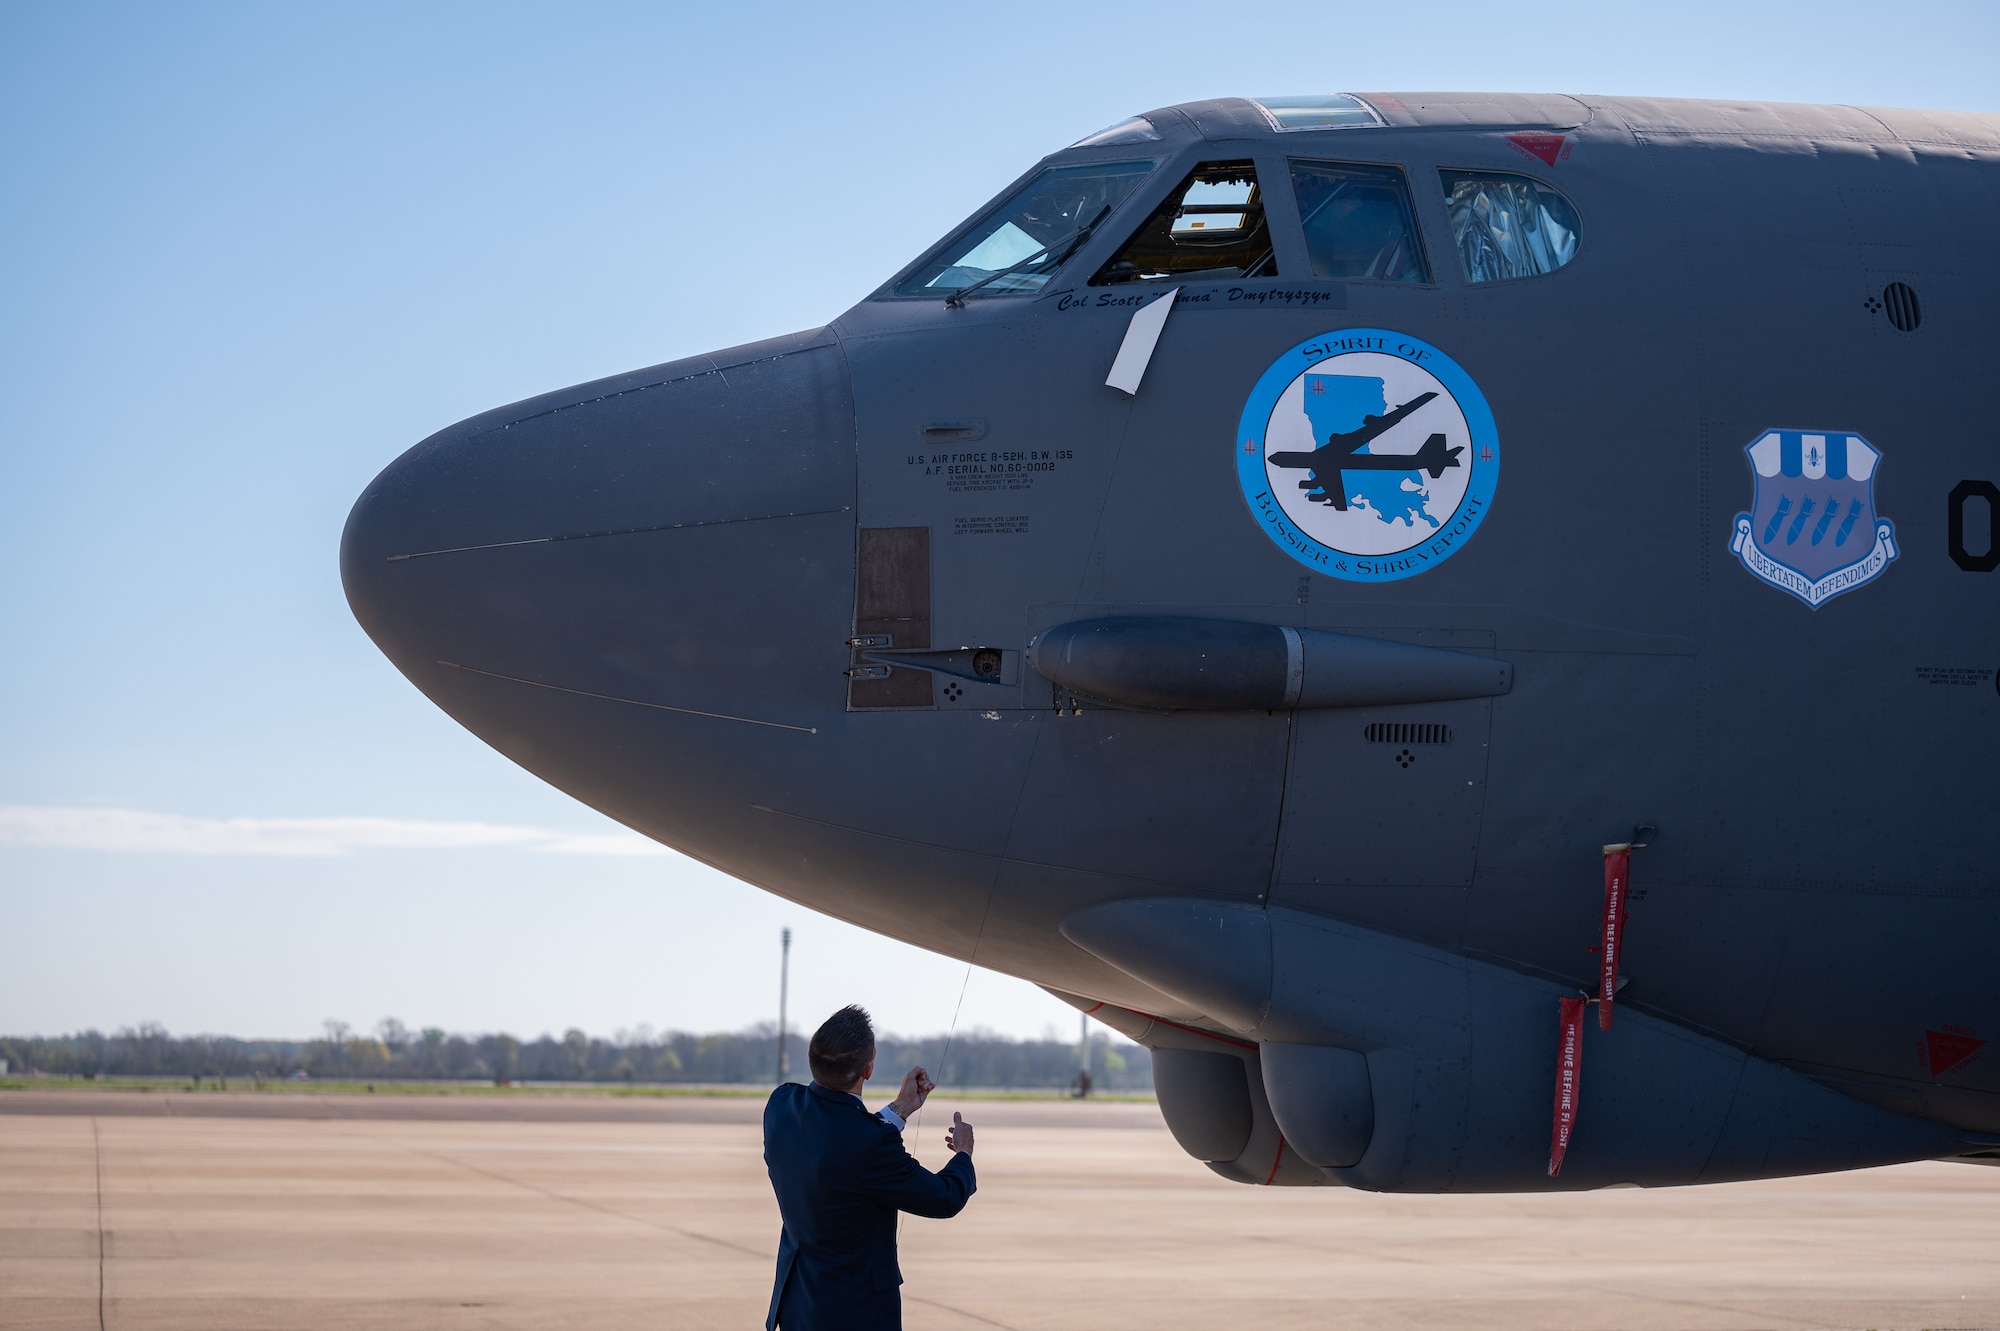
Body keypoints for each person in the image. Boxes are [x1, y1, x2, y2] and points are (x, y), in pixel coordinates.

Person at [764, 1005, 976, 1330]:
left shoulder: (781, 1104)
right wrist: (963, 1154)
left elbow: (841, 1141)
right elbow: (943, 1198)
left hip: (798, 1307)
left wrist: (899, 1109)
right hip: (855, 1313)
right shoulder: (870, 1145)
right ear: (868, 1069)